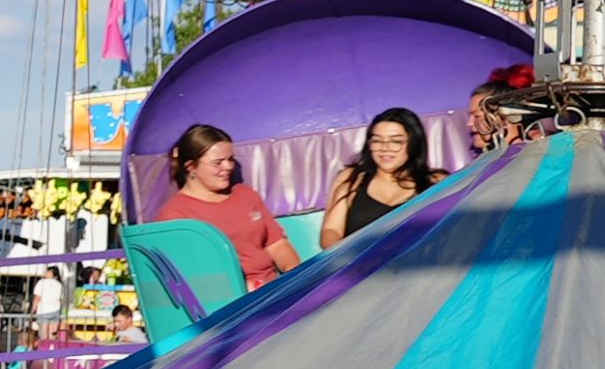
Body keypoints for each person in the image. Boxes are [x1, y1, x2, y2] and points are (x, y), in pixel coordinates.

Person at [156, 123, 296, 287]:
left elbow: (277, 245)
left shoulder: (246, 195)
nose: (228, 167)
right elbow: (189, 276)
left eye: (230, 159)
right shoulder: (174, 215)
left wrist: (295, 279)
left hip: (272, 290)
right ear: (191, 166)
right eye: (218, 163)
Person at [322, 106, 439, 246]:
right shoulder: (350, 179)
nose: (384, 148)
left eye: (396, 141)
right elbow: (330, 231)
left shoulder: (435, 183)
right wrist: (346, 262)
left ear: (414, 143)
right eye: (377, 141)